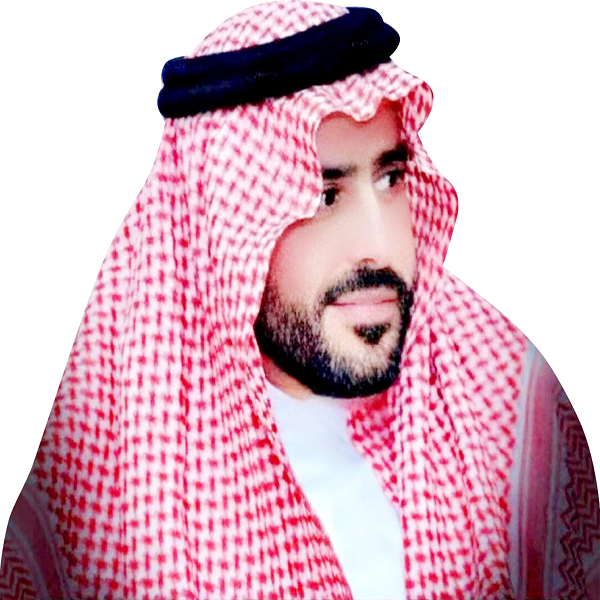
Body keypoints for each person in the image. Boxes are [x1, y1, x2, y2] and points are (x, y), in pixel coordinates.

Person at [1, 2, 598, 599]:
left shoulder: (506, 398)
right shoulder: (110, 487)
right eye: (323, 196)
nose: (382, 245)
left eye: (390, 179)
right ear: (226, 225)